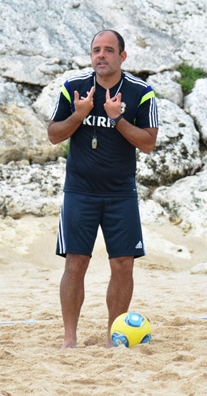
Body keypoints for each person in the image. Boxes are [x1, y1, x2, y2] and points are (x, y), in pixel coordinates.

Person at [48, 29, 159, 349]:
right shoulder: (73, 88)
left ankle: (116, 335)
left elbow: (149, 143)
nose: (101, 55)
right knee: (75, 263)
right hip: (79, 192)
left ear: (122, 56)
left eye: (109, 50)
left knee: (123, 265)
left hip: (120, 193)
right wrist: (79, 115)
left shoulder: (142, 92)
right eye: (96, 50)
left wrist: (117, 119)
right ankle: (70, 337)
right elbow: (54, 135)